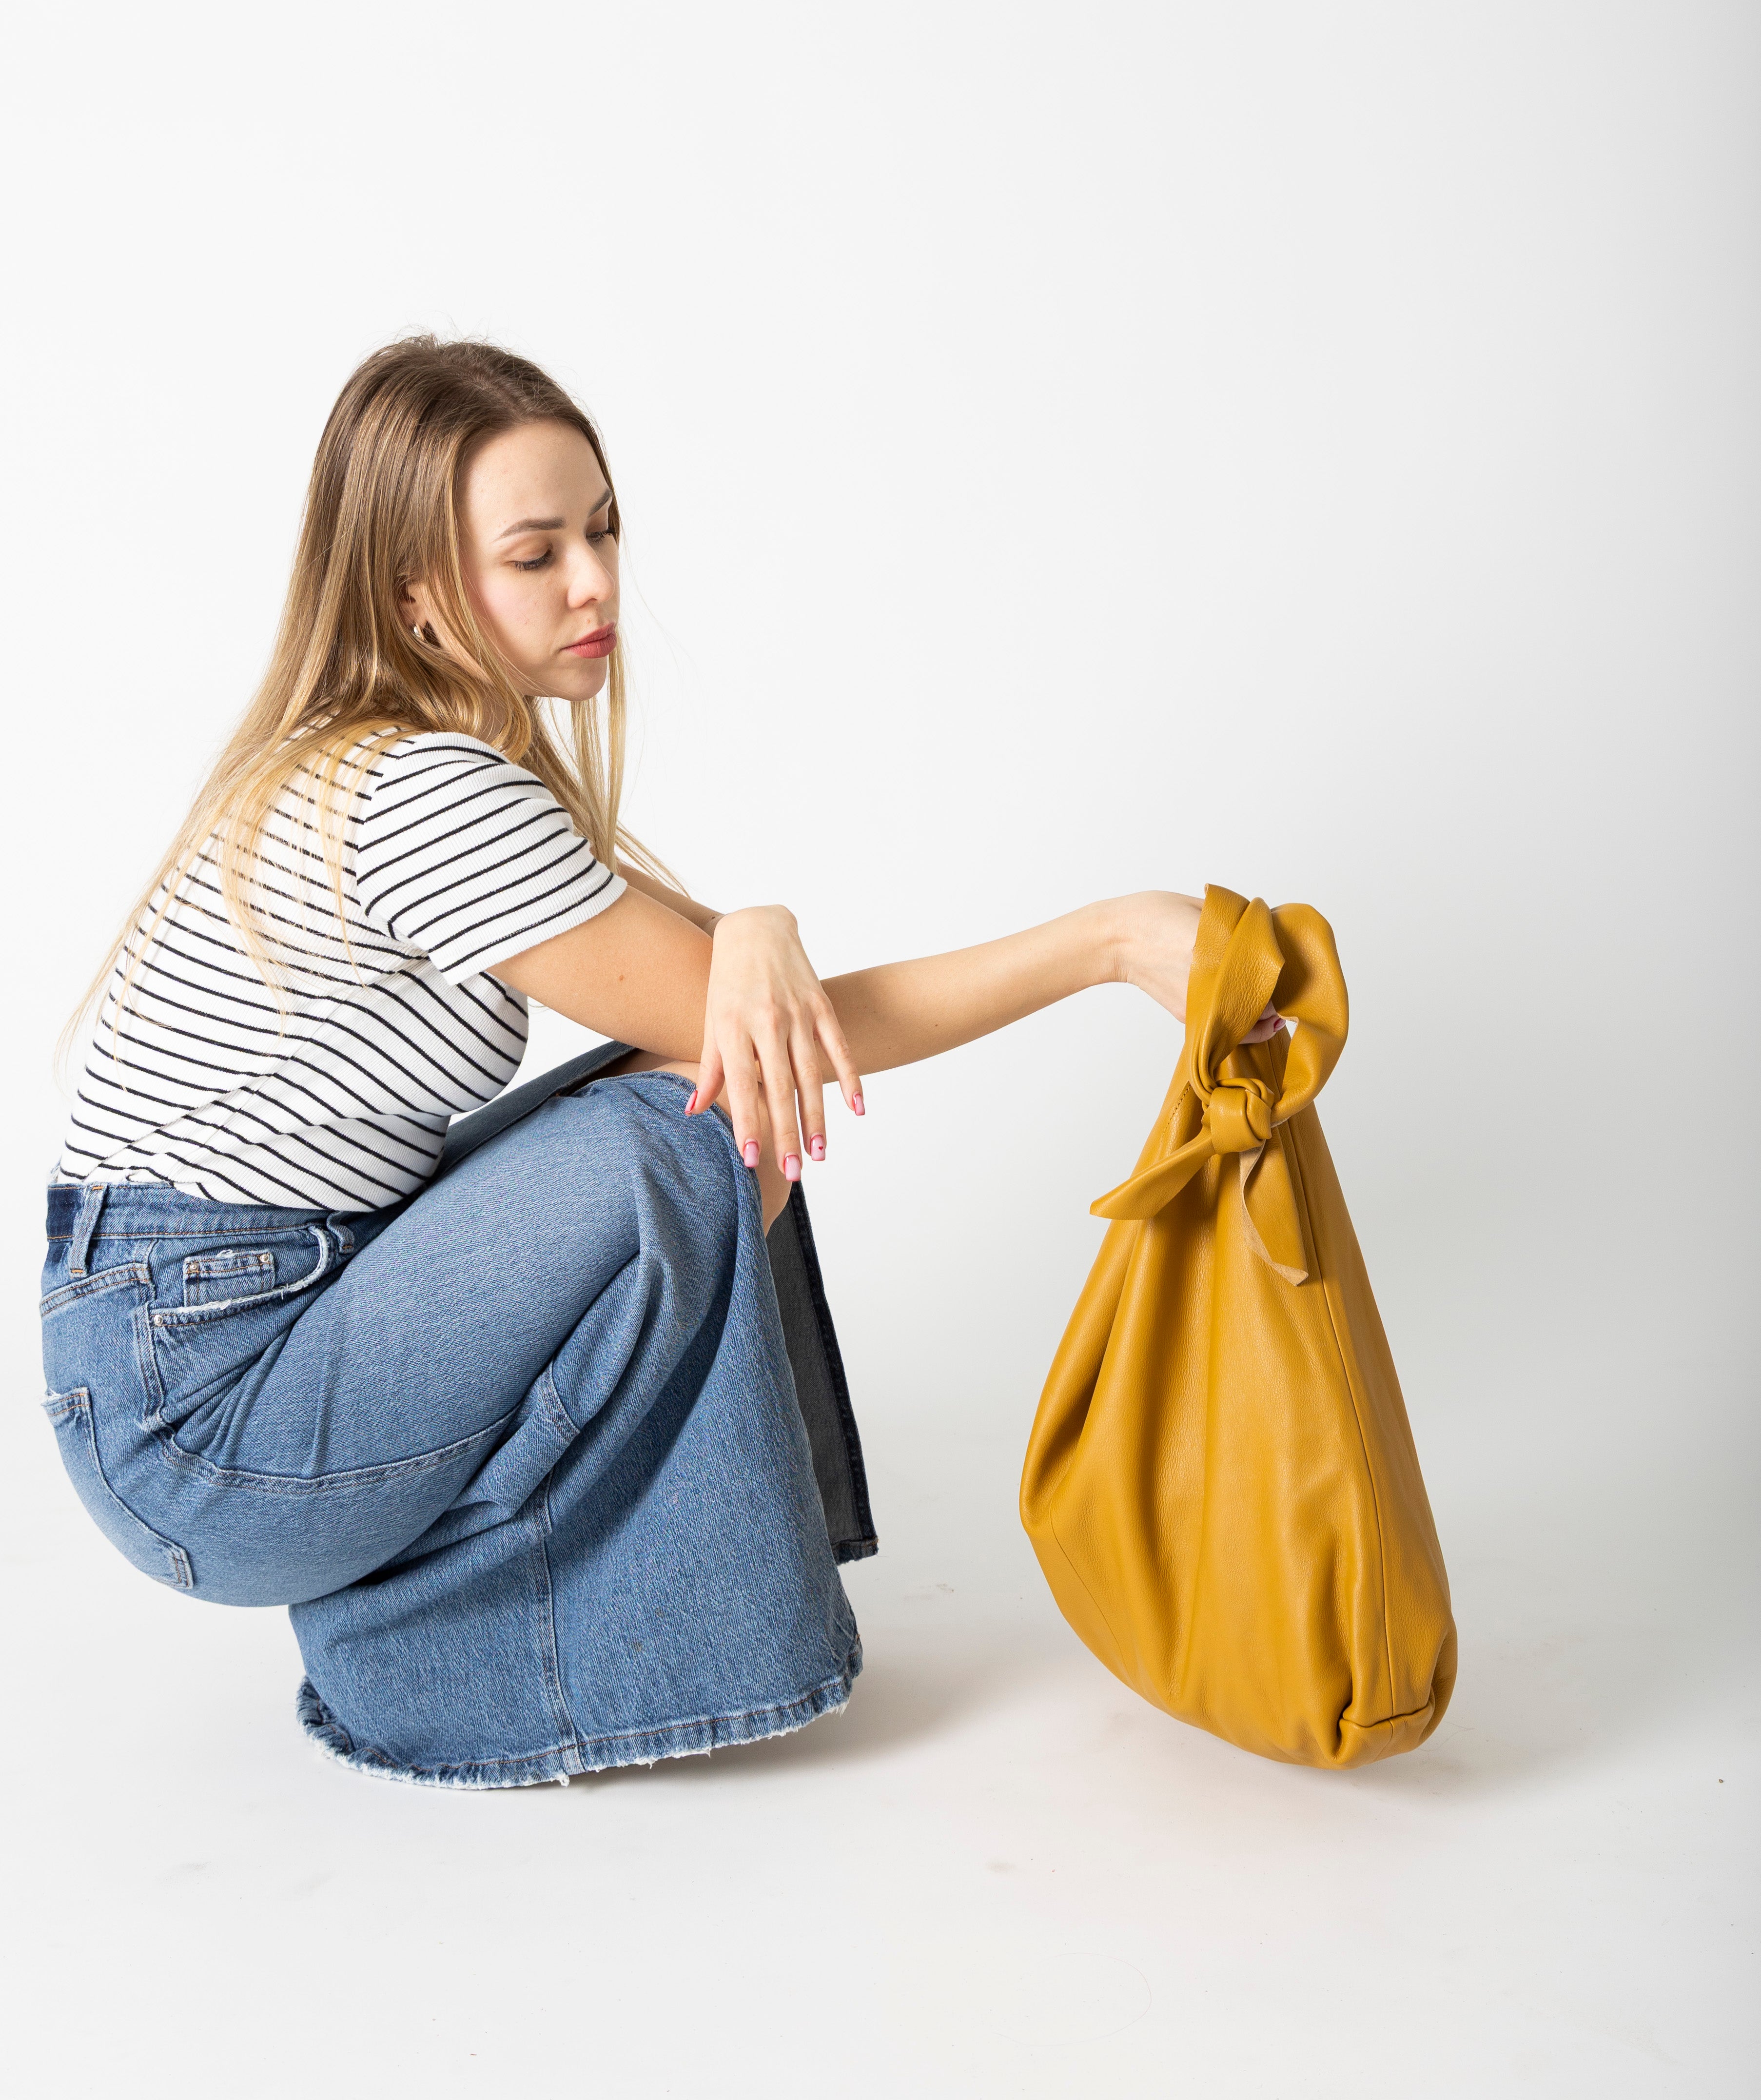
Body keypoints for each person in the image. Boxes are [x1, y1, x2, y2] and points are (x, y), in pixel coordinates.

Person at [43, 336, 1241, 1788]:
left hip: (199, 1344)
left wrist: (752, 931)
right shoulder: (426, 795)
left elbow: (750, 997)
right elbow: (782, 1041)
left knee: (683, 1091)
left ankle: (473, 1626)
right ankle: (502, 1650)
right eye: (535, 554)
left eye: (601, 529)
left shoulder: (406, 758)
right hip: (204, 1418)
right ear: (421, 597)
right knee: (689, 1128)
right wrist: (1113, 944)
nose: (597, 582)